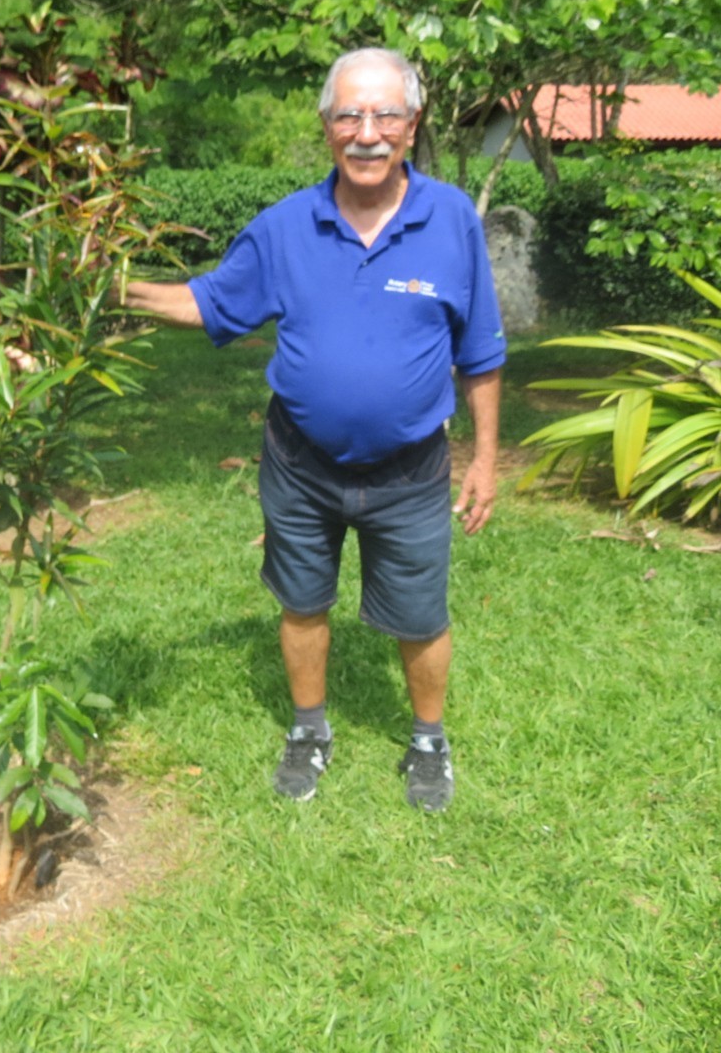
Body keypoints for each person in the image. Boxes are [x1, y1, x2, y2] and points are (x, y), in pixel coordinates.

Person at [125, 47, 505, 812]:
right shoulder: (285, 227)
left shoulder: (451, 220)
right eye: (348, 115)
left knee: (421, 615)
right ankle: (307, 730)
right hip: (300, 465)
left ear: (412, 124)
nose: (367, 132)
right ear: (327, 126)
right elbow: (208, 301)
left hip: (412, 470)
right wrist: (112, 289)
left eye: (385, 115)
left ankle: (429, 740)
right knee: (302, 602)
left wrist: (485, 459)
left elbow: (482, 351)